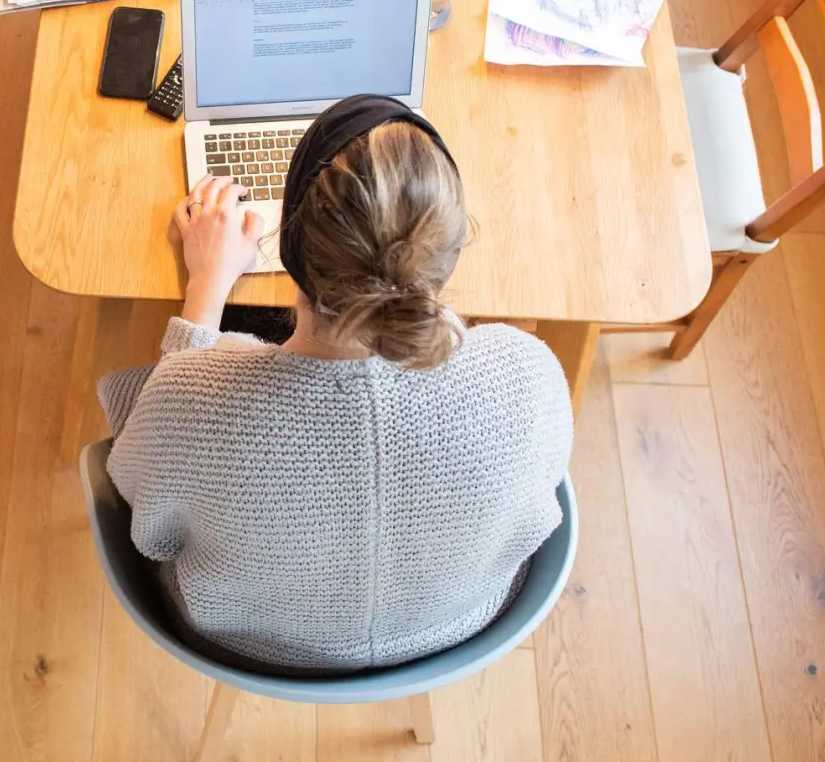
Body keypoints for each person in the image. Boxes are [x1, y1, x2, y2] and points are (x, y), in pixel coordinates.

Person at [98, 94, 573, 673]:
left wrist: (205, 292)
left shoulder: (193, 401)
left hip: (248, 643)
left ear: (291, 250)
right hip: (456, 628)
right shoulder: (524, 374)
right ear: (446, 256)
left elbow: (145, 514)